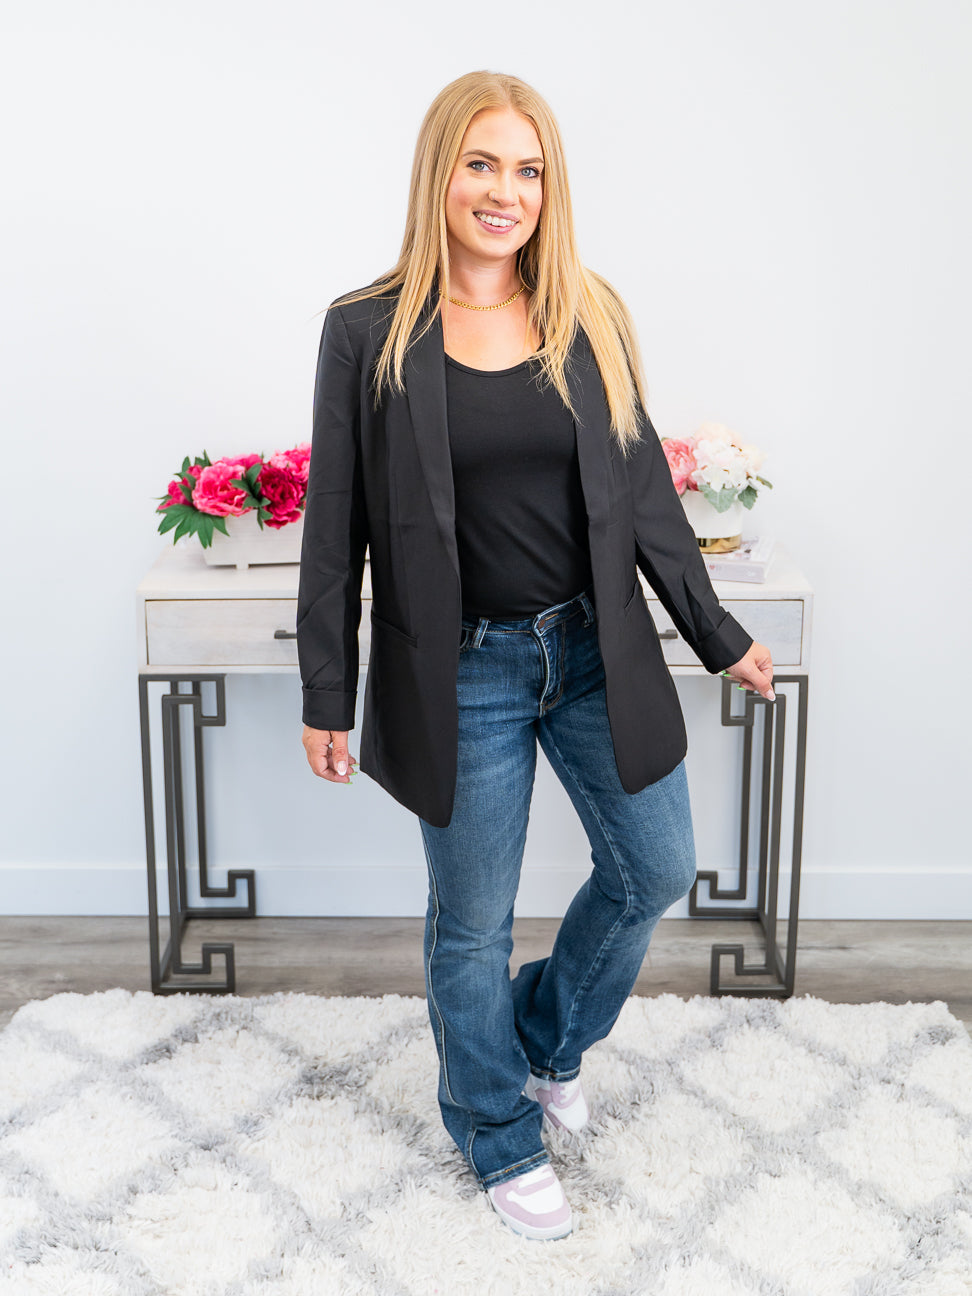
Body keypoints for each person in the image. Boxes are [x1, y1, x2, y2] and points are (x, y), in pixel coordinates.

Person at [297, 70, 774, 1241]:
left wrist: (719, 635)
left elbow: (646, 493)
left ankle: (544, 1041)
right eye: (481, 163)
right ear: (441, 173)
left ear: (549, 190)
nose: (503, 191)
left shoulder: (586, 312)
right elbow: (335, 525)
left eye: (528, 170)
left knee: (655, 868)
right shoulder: (366, 330)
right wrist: (327, 691)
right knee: (472, 921)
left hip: (593, 649)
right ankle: (494, 1125)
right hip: (459, 671)